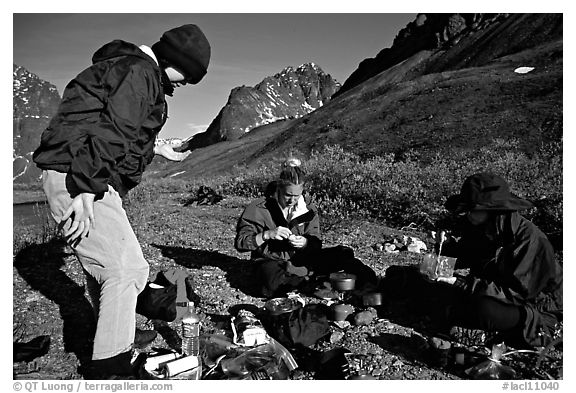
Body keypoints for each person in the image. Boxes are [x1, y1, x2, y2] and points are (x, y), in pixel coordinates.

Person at [32, 24, 211, 379]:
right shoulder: (140, 73)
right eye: (187, 76)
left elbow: (114, 124)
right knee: (124, 270)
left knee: (111, 266)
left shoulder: (130, 68)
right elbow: (112, 131)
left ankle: (116, 336)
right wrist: (85, 188)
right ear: (175, 60)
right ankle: (111, 370)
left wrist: (157, 148)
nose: (184, 85)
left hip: (84, 173)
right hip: (80, 175)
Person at [382, 173, 562, 349]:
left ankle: (471, 325)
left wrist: (458, 282)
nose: (466, 215)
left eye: (470, 210)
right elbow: (461, 259)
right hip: (485, 291)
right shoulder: (483, 228)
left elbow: (515, 295)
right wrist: (446, 245)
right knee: (405, 275)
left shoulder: (531, 241)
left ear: (492, 210)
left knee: (484, 309)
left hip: (531, 310)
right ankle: (454, 316)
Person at [234, 158, 378, 298]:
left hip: (302, 259)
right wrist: (267, 235)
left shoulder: (307, 208)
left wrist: (305, 243)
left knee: (343, 253)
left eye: (297, 196)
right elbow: (241, 243)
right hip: (270, 261)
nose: (292, 200)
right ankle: (315, 282)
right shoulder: (259, 208)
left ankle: (369, 282)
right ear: (279, 188)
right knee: (271, 280)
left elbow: (316, 241)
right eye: (288, 195)